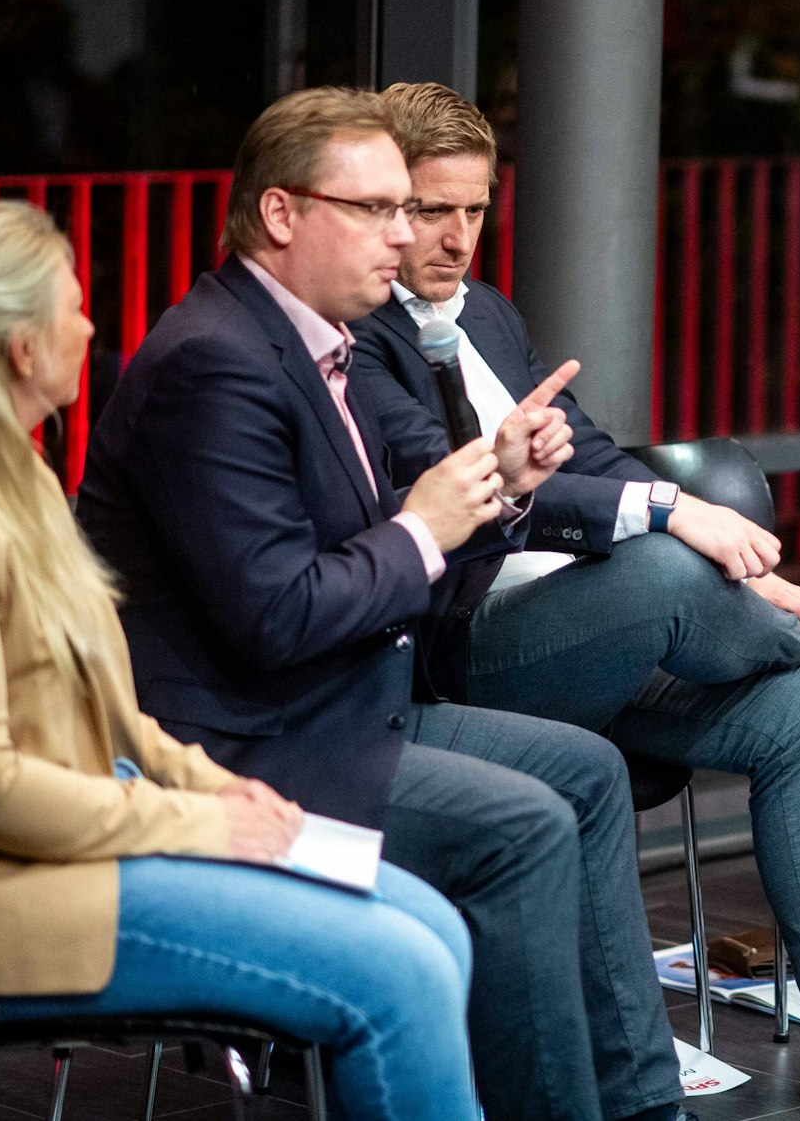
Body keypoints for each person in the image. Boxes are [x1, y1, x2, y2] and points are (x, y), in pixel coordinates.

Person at [346, 81, 800, 1121]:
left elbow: (595, 451)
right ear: (387, 205)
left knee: (794, 715)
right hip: (465, 649)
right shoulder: (359, 334)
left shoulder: (483, 312)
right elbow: (470, 485)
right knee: (667, 564)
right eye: (430, 210)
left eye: (473, 210)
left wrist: (723, 550)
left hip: (588, 635)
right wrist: (671, 512)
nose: (452, 238)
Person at [75, 88, 685, 1121]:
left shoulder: (323, 345)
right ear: (280, 214)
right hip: (247, 747)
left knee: (586, 771)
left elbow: (439, 493)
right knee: (526, 823)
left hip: (347, 706)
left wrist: (506, 476)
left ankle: (640, 1107)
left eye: (414, 209)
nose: (405, 237)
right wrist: (425, 529)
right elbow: (276, 616)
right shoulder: (214, 363)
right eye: (376, 210)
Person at [0, 200, 478, 1119]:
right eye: (72, 305)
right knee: (402, 971)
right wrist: (192, 824)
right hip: (2, 893)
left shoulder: (11, 477)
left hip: (97, 842)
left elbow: (101, 709)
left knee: (437, 928)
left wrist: (211, 786)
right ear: (20, 347)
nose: (91, 324)